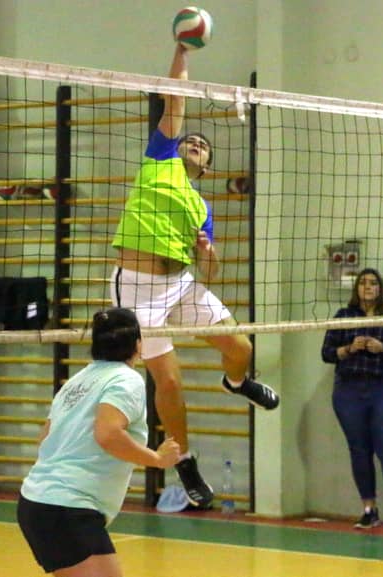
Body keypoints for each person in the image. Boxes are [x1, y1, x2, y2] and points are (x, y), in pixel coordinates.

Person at [111, 42, 279, 509]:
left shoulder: (201, 207)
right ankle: (183, 459)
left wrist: (208, 252)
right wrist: (183, 52)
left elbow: (212, 270)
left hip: (182, 283)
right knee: (169, 382)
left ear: (207, 167)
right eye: (192, 140)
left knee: (241, 348)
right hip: (139, 289)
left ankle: (236, 382)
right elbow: (176, 100)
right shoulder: (159, 160)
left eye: (204, 147)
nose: (196, 144)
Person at [17, 308, 182, 577]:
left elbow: (45, 438)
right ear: (138, 345)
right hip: (67, 507)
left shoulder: (76, 381)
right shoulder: (127, 379)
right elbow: (107, 434)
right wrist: (157, 459)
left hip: (37, 502)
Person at [321, 268, 383, 534]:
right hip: (349, 390)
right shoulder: (344, 316)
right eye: (363, 283)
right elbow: (327, 353)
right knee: (359, 450)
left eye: (373, 283)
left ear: (380, 288)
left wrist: (382, 348)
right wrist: (350, 348)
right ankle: (368, 510)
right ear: (357, 288)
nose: (368, 287)